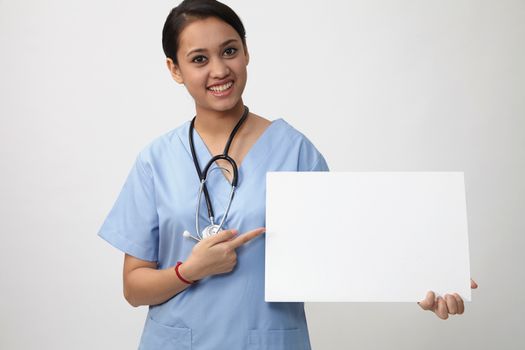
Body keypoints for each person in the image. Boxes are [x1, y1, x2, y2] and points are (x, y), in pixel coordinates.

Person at [98, 1, 478, 349]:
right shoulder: (155, 160)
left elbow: (351, 249)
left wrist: (423, 276)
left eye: (229, 51)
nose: (219, 70)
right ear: (174, 69)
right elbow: (134, 288)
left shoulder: (294, 150)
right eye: (199, 59)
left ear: (246, 52)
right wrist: (190, 271)